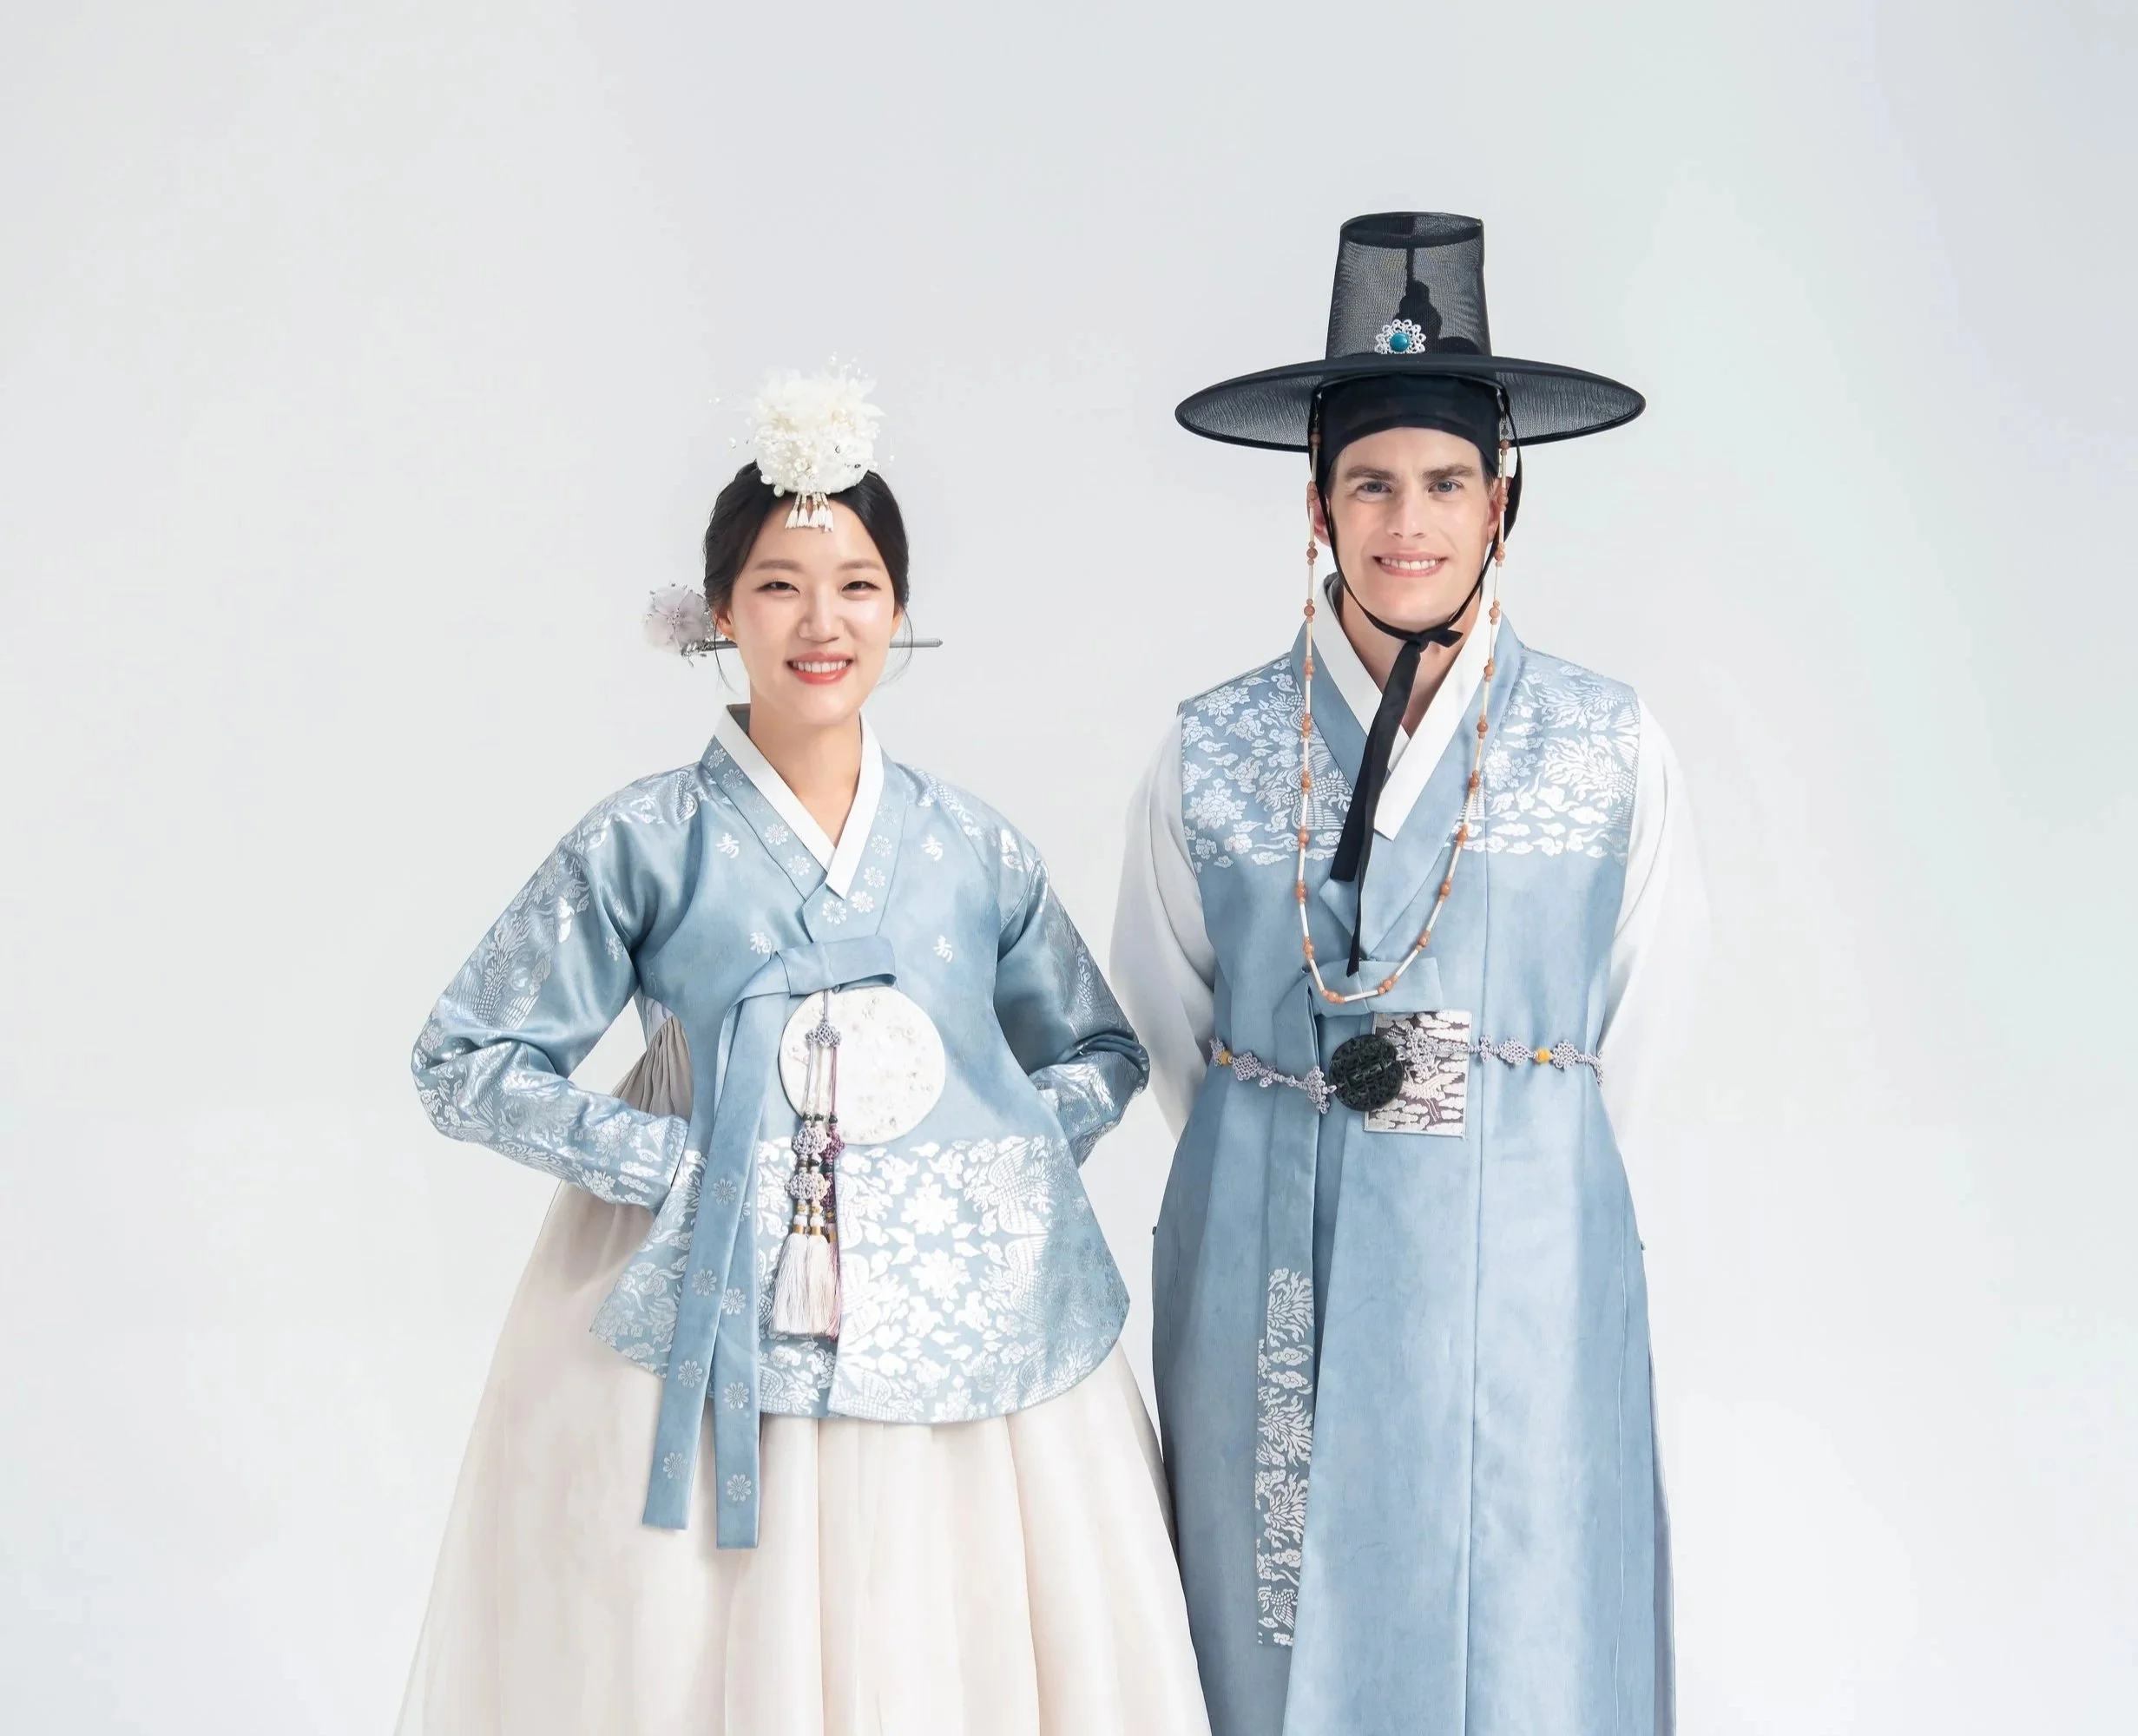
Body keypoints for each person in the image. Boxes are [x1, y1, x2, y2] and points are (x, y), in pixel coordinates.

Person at [399, 368, 1210, 1736]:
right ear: (720, 612)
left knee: (956, 1641)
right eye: (779, 586)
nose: (821, 623)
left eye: (858, 587)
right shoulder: (646, 840)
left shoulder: (970, 846)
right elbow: (464, 1056)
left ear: (900, 610)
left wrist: (995, 1162)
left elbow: (1100, 1047)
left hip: (962, 1341)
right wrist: (673, 1162)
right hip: (715, 1301)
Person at [1112, 214, 1707, 1735]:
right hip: (1271, 1245)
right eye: (1371, 484)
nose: (1408, 524)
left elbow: (1636, 1029)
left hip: (1528, 1244)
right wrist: (1295, 1140)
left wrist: (1518, 1150)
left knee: (1530, 1623)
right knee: (1269, 1614)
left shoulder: (1607, 743)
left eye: (1445, 484)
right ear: (1315, 505)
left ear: (1504, 502)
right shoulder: (1212, 748)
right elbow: (1174, 1024)